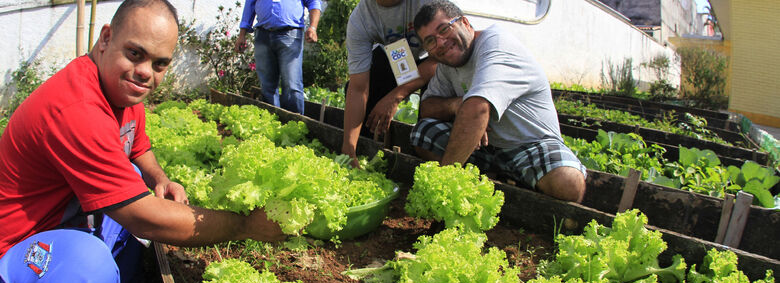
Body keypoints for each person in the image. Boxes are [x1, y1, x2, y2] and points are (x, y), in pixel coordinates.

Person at [0, 1, 285, 283]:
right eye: (135, 54)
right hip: (14, 248)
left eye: (159, 63)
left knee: (134, 180)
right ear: (106, 38)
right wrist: (244, 226)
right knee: (92, 268)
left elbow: (137, 146)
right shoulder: (78, 108)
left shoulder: (120, 91)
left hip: (63, 221)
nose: (146, 72)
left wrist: (159, 178)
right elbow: (142, 217)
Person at [410, 0, 587, 202]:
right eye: (430, 41)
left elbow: (477, 109)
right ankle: (488, 181)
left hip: (528, 144)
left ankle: (500, 185)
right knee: (423, 133)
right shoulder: (447, 64)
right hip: (486, 148)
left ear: (465, 23)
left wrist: (444, 182)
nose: (441, 43)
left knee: (568, 183)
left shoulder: (496, 44)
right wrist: (455, 105)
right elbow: (427, 107)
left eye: (444, 29)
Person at [341, 0, 438, 167]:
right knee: (366, 88)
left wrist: (396, 96)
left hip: (435, 58)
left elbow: (444, 57)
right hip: (396, 55)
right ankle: (366, 154)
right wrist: (348, 149)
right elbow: (358, 88)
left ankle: (434, 167)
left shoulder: (428, 3)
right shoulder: (362, 18)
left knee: (432, 117)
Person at [235, 0, 321, 115]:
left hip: (290, 34)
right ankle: (272, 122)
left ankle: (293, 124)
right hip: (262, 35)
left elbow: (314, 2)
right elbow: (249, 4)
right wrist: (242, 34)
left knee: (292, 84)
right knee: (267, 85)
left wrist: (313, 27)